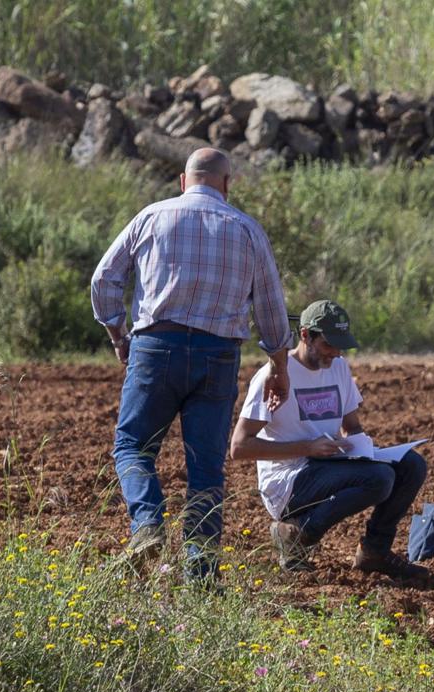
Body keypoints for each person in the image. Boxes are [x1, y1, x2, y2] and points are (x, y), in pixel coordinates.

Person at [91, 147, 290, 583]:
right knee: (205, 467)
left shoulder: (152, 217)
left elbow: (104, 279)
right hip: (218, 356)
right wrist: (279, 365)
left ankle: (147, 526)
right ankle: (200, 573)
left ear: (184, 181)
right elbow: (271, 307)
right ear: (226, 184)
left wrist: (117, 335)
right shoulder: (247, 229)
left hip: (155, 347)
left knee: (133, 447)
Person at [229, 300, 429, 579]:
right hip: (288, 480)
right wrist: (307, 448)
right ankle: (296, 534)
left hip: (328, 464)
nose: (334, 353)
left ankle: (375, 551)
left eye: (339, 347)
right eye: (327, 345)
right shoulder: (275, 376)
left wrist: (365, 450)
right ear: (305, 335)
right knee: (379, 479)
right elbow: (239, 447)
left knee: (412, 466)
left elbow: (352, 426)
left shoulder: (338, 367)